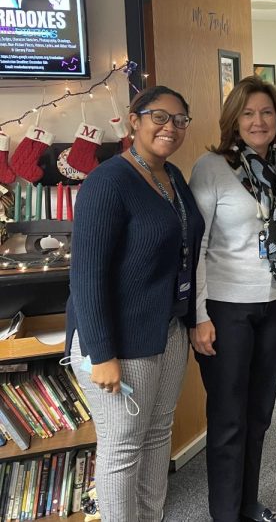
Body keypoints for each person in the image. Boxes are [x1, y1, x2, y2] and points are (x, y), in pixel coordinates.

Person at [66, 86, 204, 522]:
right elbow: (86, 276)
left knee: (157, 434)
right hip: (119, 341)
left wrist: (190, 318)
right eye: (159, 117)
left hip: (166, 329)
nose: (170, 127)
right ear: (134, 120)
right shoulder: (107, 182)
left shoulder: (172, 177)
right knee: (123, 446)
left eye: (180, 120)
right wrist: (101, 353)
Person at [189, 76, 276, 522]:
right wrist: (199, 315)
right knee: (228, 418)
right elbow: (196, 248)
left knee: (258, 415)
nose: (259, 121)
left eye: (267, 112)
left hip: (275, 305)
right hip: (226, 308)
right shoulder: (211, 168)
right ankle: (225, 514)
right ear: (233, 120)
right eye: (249, 113)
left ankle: (247, 505)